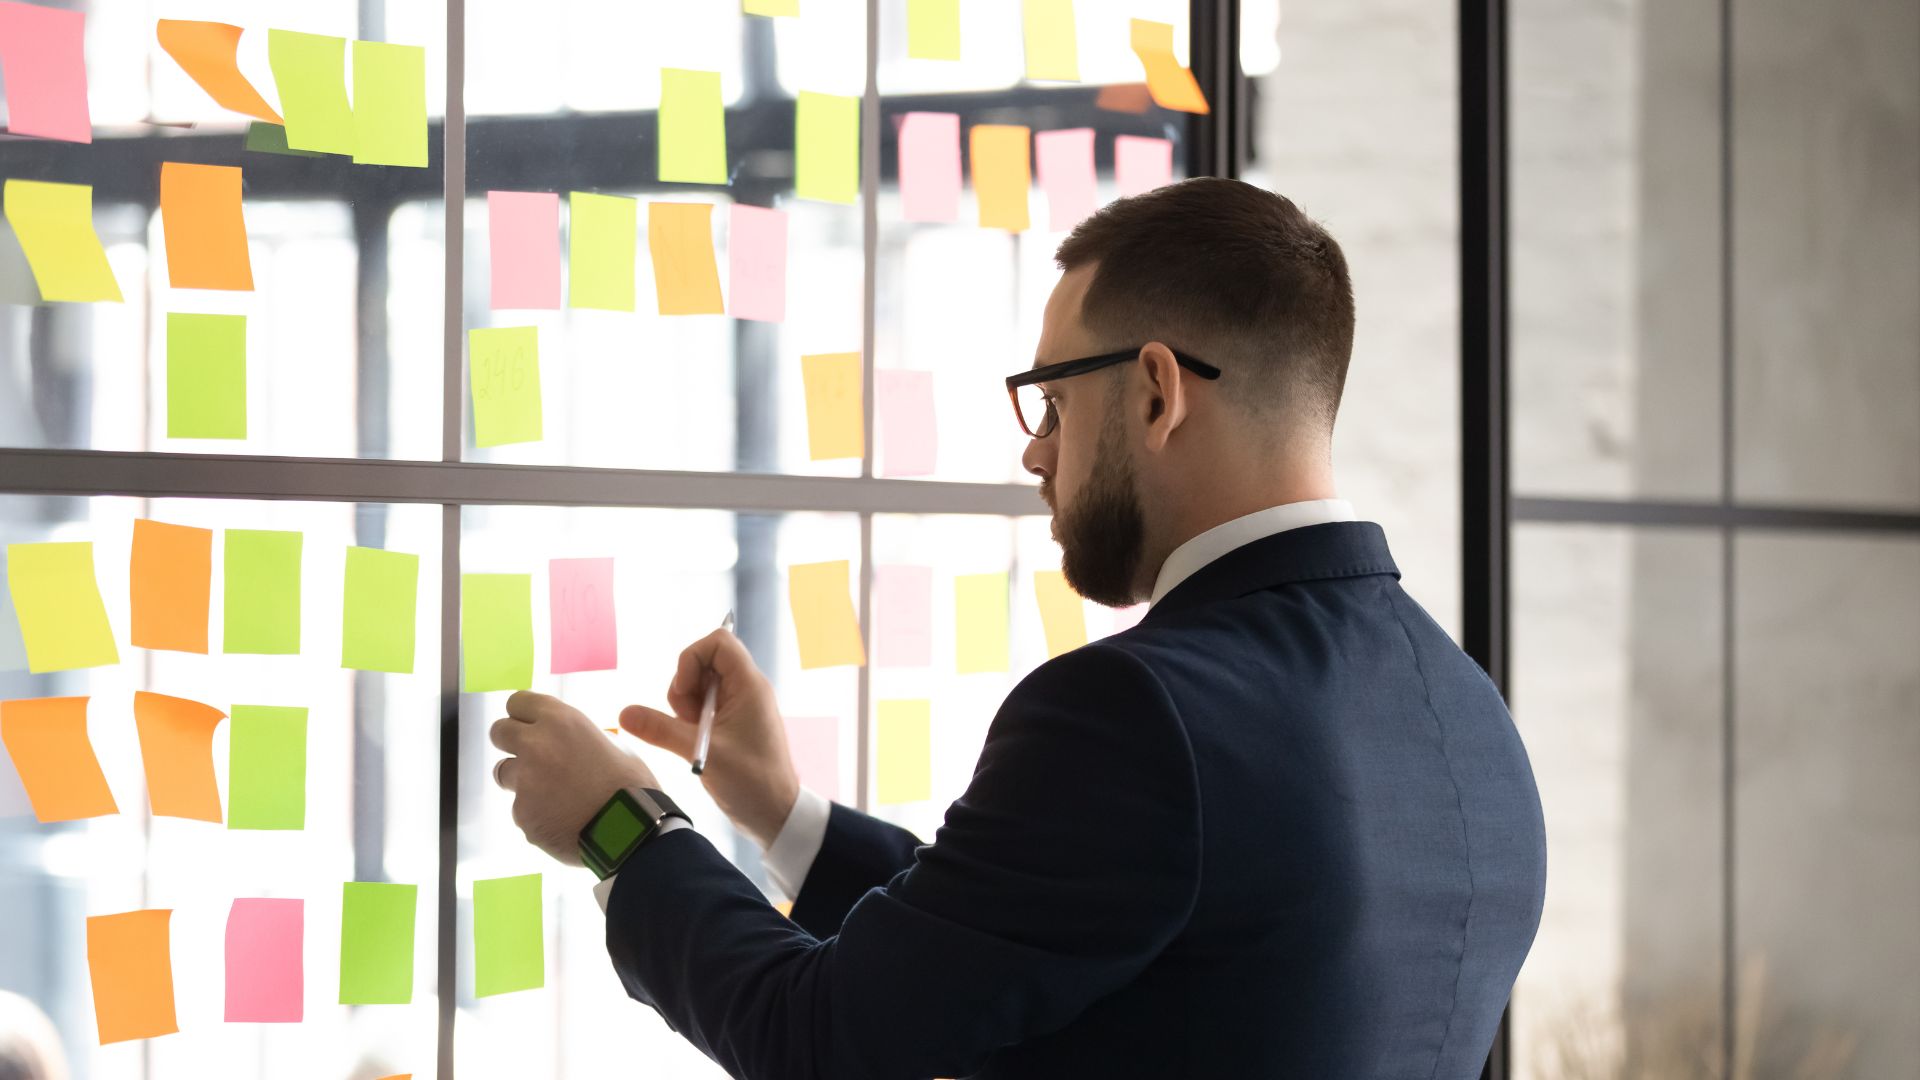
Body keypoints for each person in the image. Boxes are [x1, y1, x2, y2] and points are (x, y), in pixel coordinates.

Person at [489, 176, 1548, 1079]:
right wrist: (782, 812)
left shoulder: (1139, 710)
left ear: (1154, 393)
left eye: (1050, 404)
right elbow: (1038, 929)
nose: (1036, 455)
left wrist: (623, 830)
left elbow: (820, 1032)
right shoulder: (1467, 711)